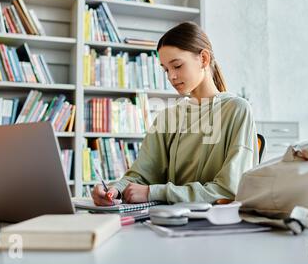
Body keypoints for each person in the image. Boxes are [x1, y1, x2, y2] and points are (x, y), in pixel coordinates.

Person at [92, 21, 258, 205]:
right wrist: (116, 190)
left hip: (214, 225)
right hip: (169, 221)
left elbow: (230, 190)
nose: (171, 76)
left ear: (204, 59)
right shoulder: (167, 118)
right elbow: (142, 174)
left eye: (177, 66)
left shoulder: (237, 110)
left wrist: (154, 193)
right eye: (165, 70)